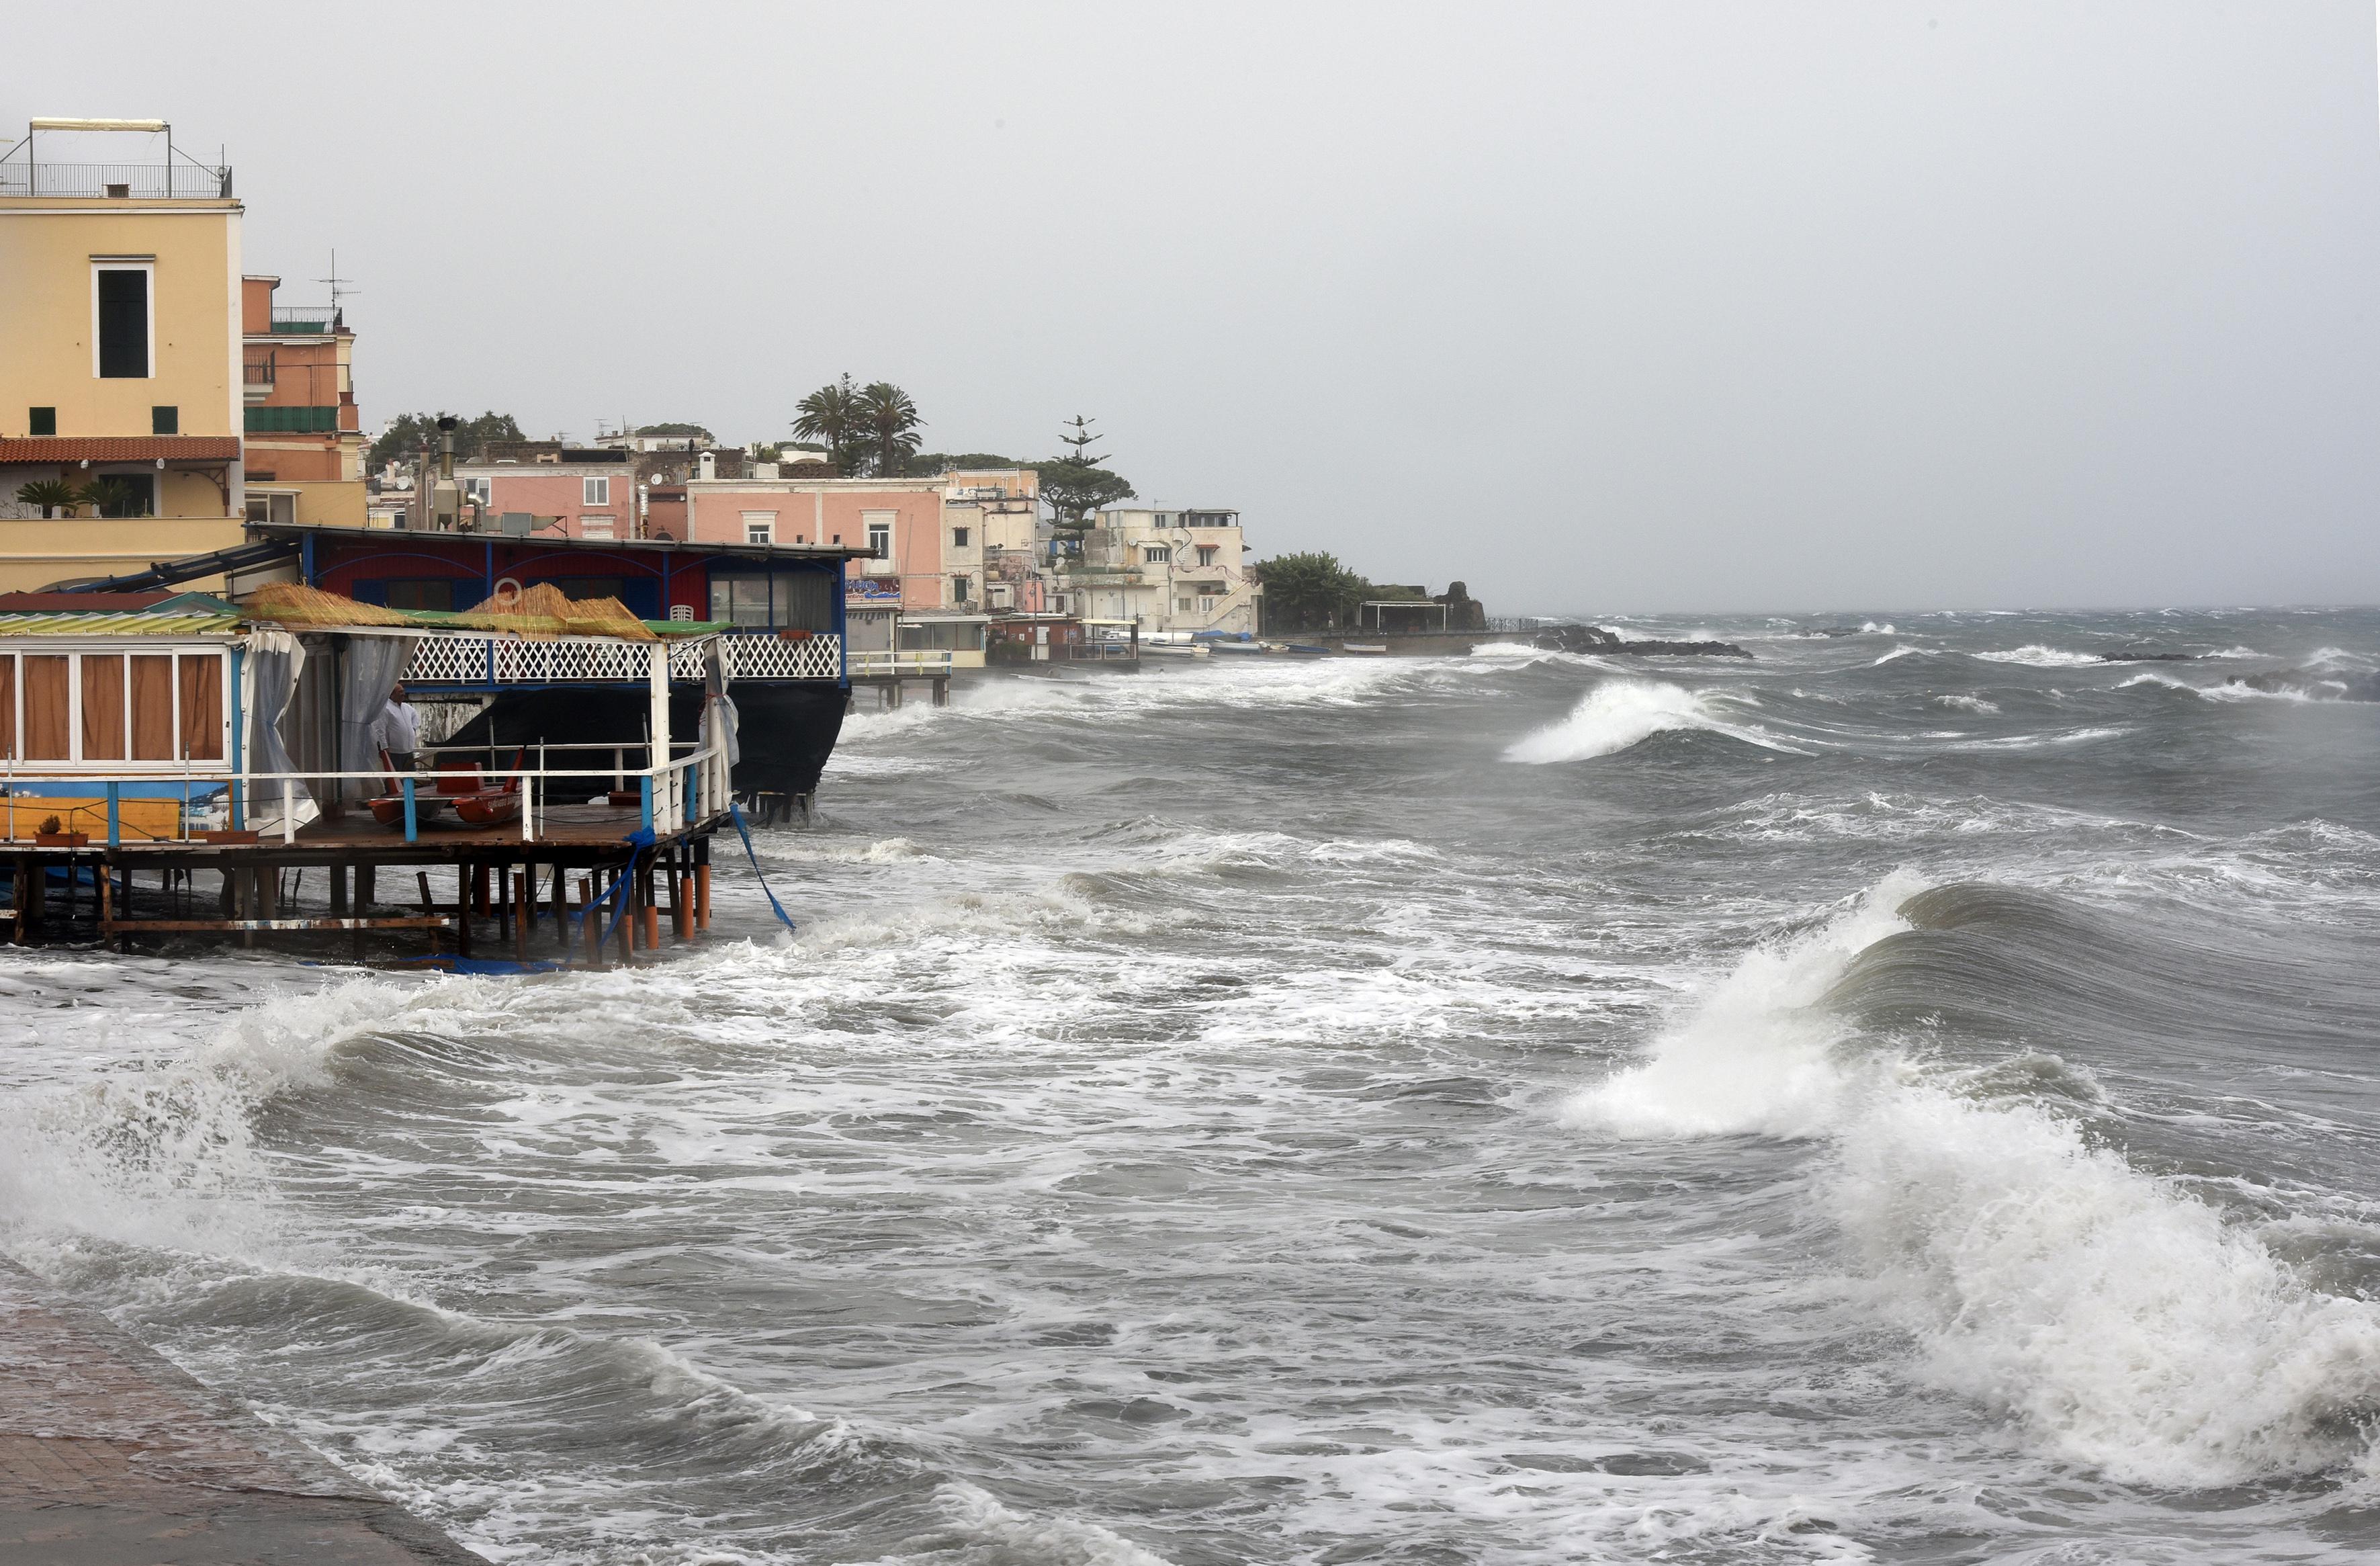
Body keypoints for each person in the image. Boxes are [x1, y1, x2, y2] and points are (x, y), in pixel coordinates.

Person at [378, 683, 420, 773]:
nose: (403, 694)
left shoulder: (406, 707)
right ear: (392, 694)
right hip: (394, 753)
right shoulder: (386, 708)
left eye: (403, 691)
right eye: (400, 692)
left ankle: (408, 789)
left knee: (410, 778)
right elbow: (380, 730)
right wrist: (385, 748)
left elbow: (415, 715)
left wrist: (413, 728)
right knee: (396, 779)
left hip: (408, 751)